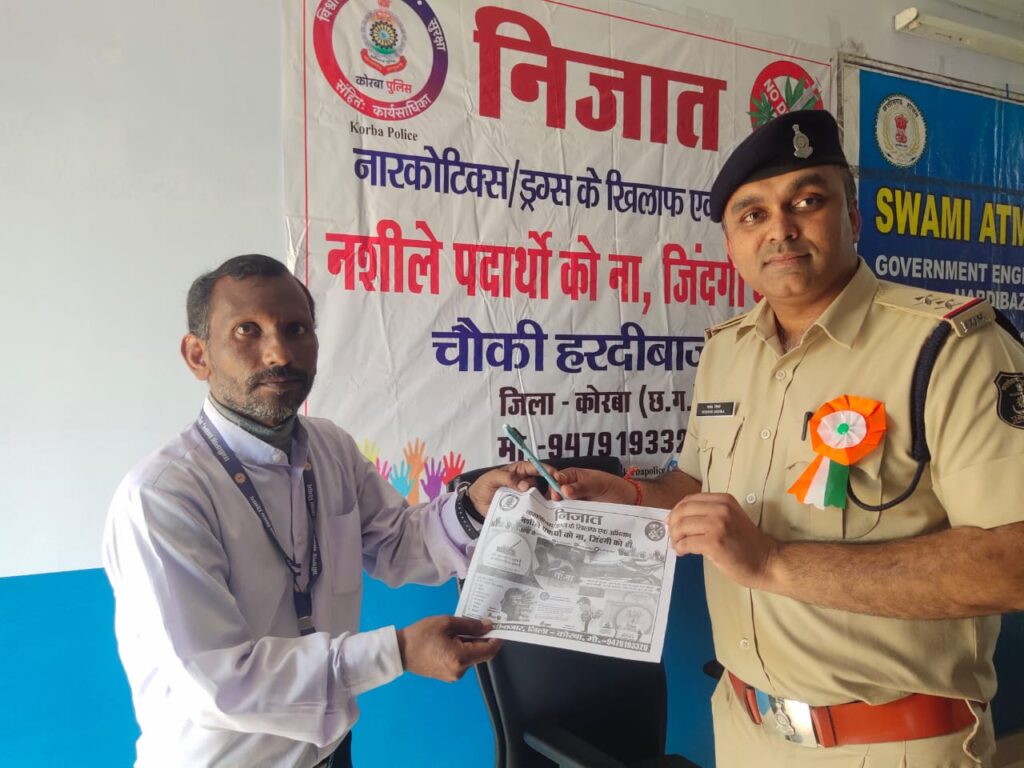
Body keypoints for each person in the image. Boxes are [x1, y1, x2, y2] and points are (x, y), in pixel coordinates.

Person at [543, 110, 1024, 766]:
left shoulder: (949, 348)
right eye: (753, 214)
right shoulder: (726, 350)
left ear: (852, 218)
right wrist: (632, 496)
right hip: (743, 727)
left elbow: (1012, 563)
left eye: (807, 201)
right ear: (731, 245)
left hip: (890, 743)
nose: (781, 229)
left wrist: (772, 562)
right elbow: (697, 490)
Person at [103, 254, 532, 768]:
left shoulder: (330, 448)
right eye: (247, 330)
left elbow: (398, 542)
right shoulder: (163, 496)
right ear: (199, 356)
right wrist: (397, 652)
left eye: (297, 329)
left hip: (329, 750)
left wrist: (473, 509)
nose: (279, 353)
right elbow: (219, 683)